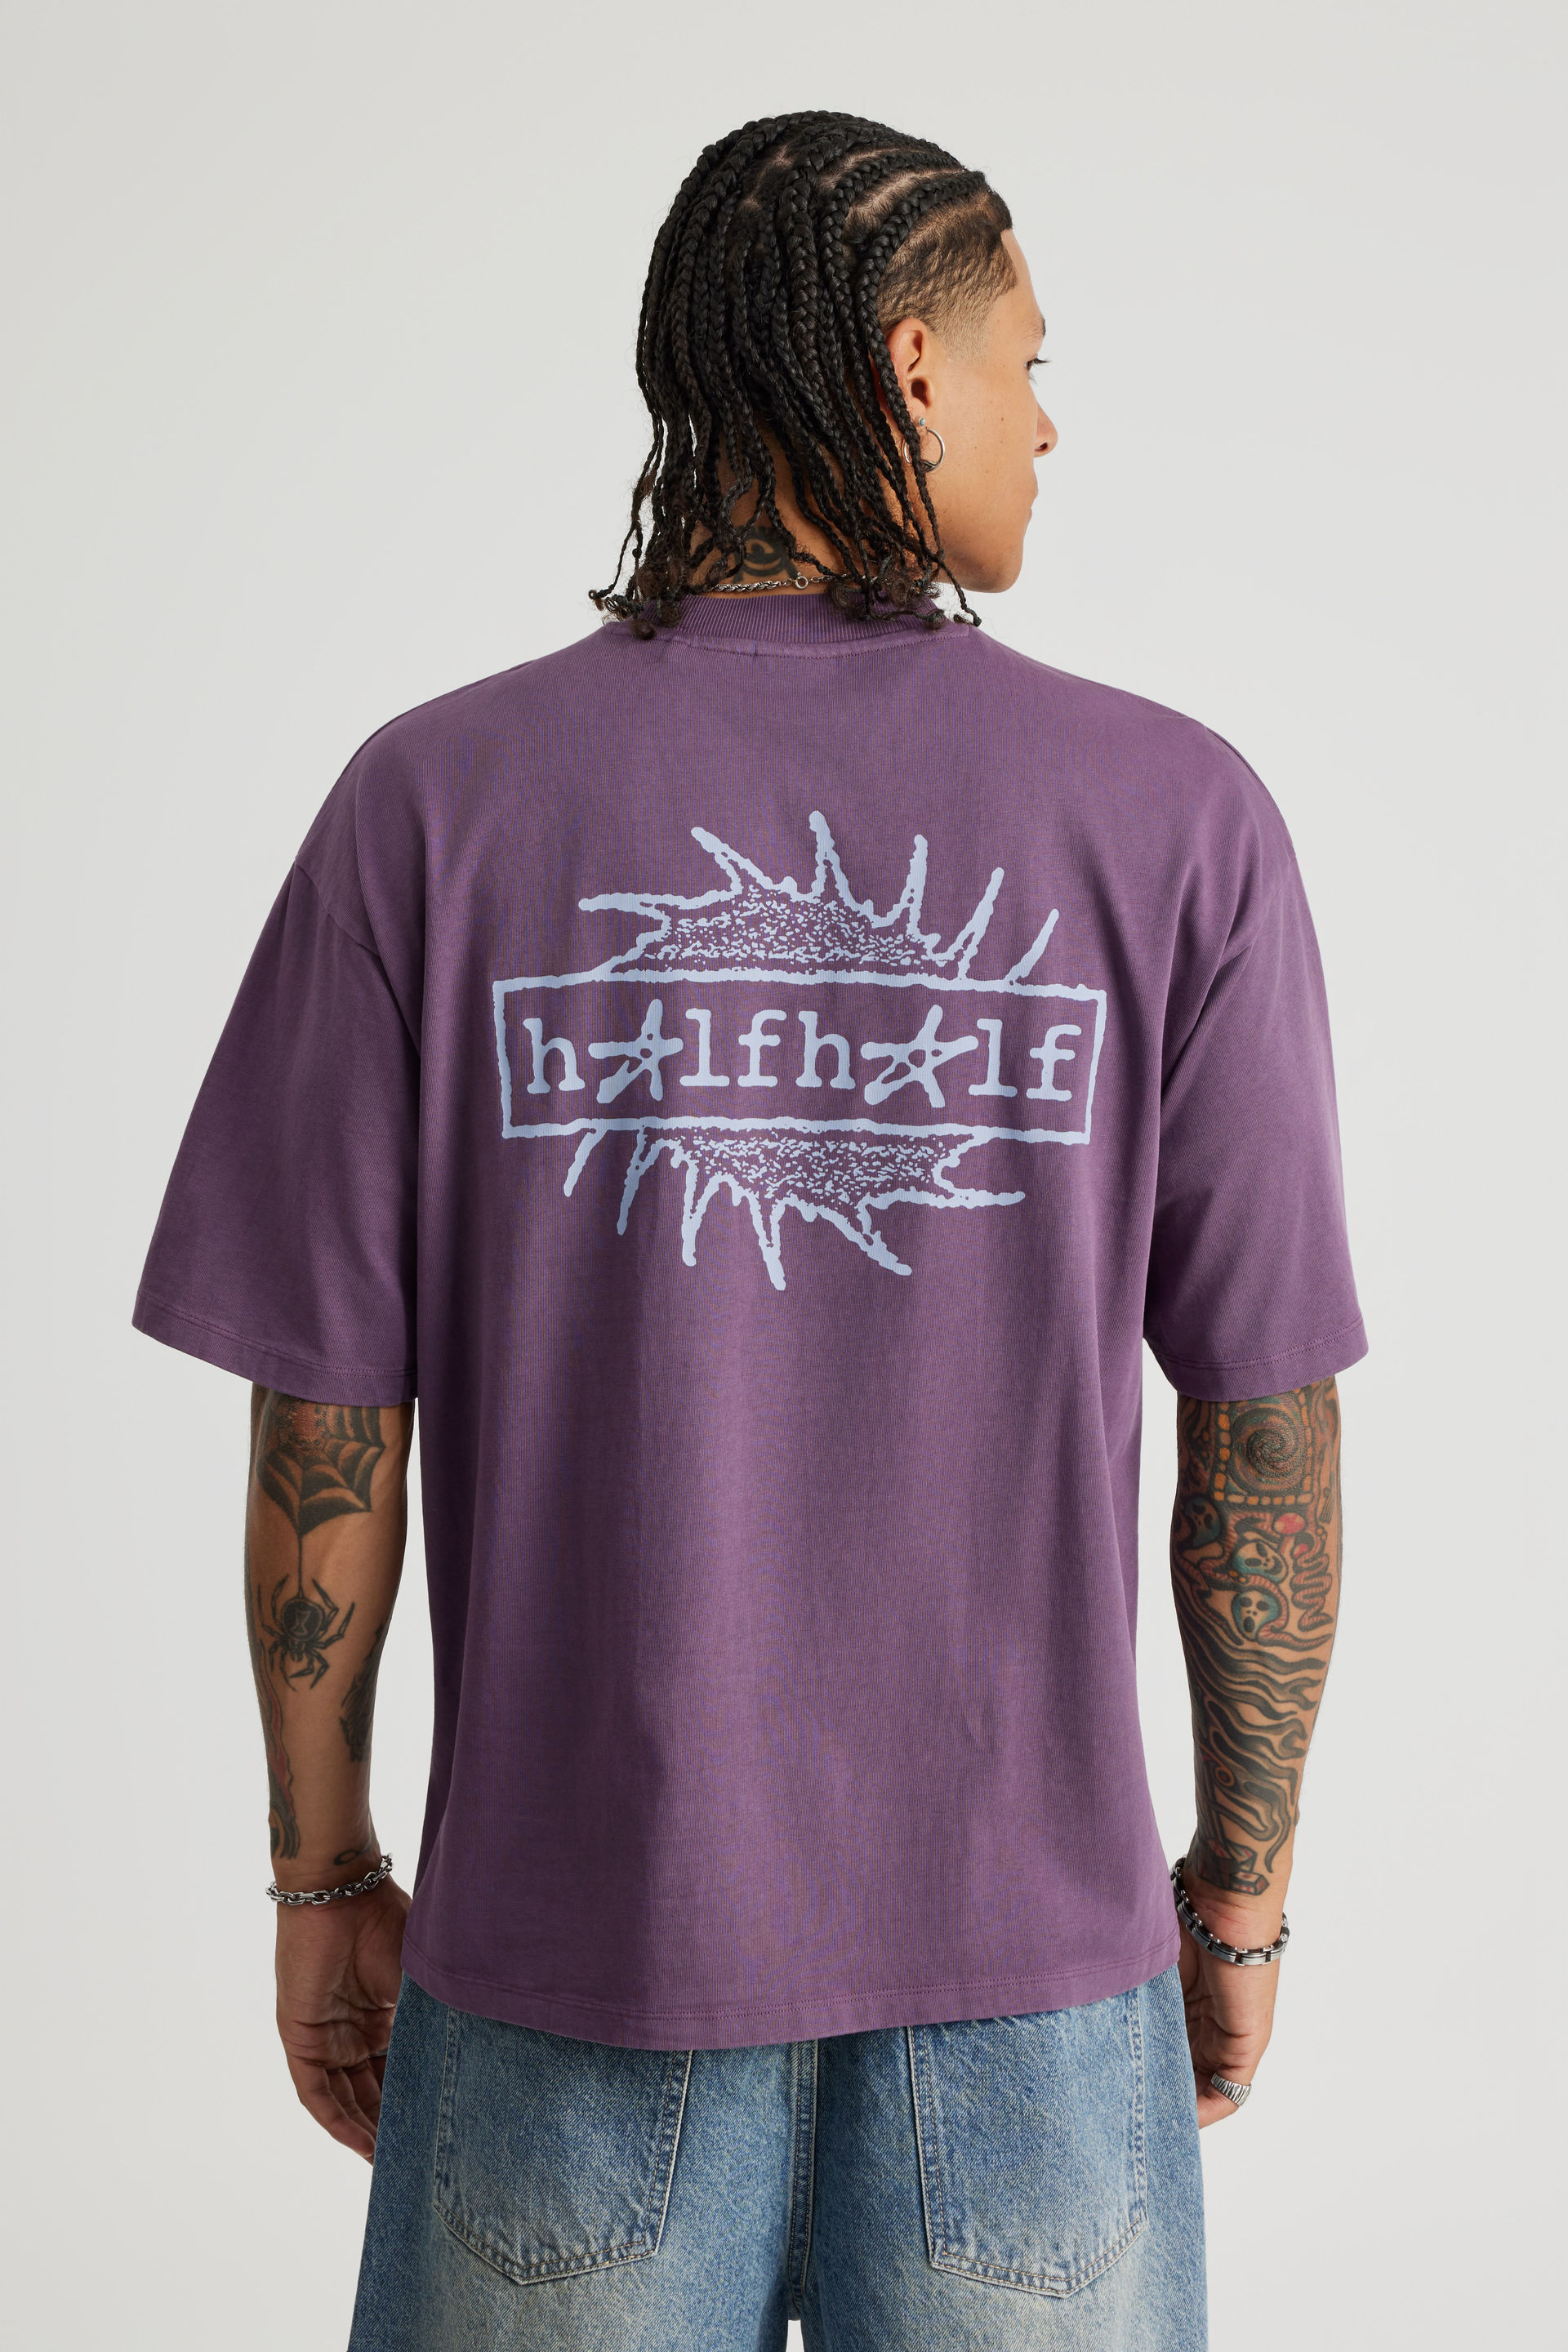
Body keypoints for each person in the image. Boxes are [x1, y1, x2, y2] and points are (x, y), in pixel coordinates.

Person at [131, 112, 1365, 2352]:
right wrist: (1243, 1890)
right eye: (1028, 361)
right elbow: (1264, 1425)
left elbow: (326, 1426)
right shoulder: (1179, 819)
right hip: (1033, 1998)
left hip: (570, 1969)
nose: (1049, 423)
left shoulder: (435, 806)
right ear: (912, 366)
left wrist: (323, 1877)